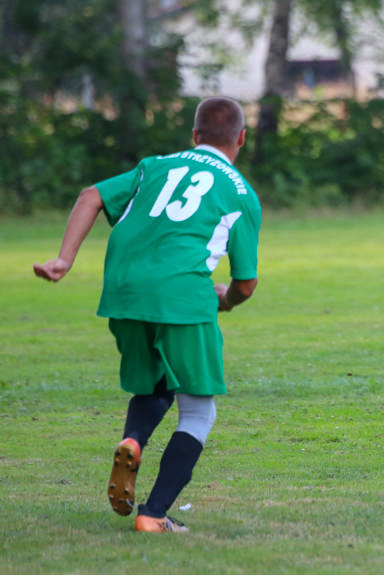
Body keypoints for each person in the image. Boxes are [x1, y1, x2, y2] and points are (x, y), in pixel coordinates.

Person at [33, 96, 261, 533]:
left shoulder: (153, 165)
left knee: (156, 384)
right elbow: (246, 284)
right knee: (198, 412)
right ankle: (153, 516)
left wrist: (64, 260)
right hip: (181, 296)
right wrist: (225, 299)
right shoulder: (240, 192)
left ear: (194, 136)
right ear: (241, 139)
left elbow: (90, 196)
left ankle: (133, 440)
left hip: (123, 291)